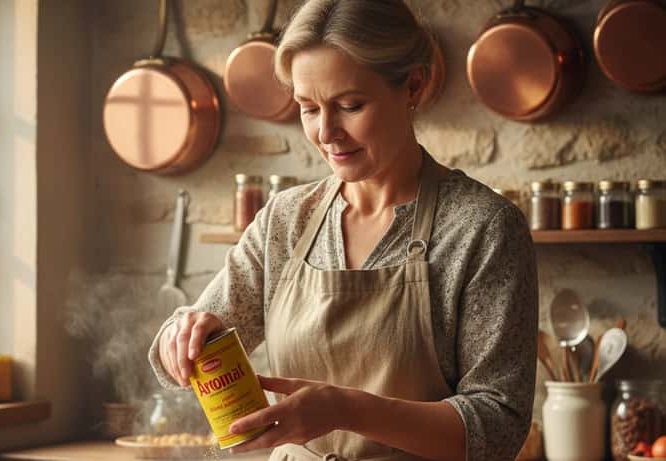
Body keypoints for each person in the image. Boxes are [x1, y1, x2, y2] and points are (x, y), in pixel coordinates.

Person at [148, 1, 538, 460]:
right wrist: (186, 331)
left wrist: (347, 410)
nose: (326, 132)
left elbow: (498, 426)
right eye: (307, 108)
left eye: (349, 105)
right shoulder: (286, 219)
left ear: (413, 84)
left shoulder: (481, 228)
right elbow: (193, 342)